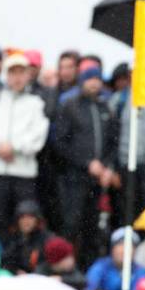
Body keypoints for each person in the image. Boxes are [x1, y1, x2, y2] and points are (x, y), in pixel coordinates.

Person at [0, 53, 49, 237]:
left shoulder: (35, 103)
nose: (17, 78)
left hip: (23, 173)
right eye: (12, 73)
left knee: (24, 221)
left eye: (21, 72)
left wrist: (13, 147)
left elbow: (38, 136)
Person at [53, 66, 119, 263]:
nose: (94, 83)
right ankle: (65, 266)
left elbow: (113, 142)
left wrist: (107, 167)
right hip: (74, 179)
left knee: (93, 227)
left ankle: (87, 268)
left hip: (98, 181)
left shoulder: (105, 107)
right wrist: (86, 163)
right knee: (72, 224)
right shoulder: (70, 106)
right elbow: (60, 143)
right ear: (82, 81)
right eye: (90, 79)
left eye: (98, 79)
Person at [1, 200, 51, 274]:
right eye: (22, 217)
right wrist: (16, 271)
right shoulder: (13, 239)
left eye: (30, 217)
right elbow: (6, 261)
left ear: (37, 220)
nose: (26, 221)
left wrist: (31, 275)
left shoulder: (48, 239)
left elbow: (51, 264)